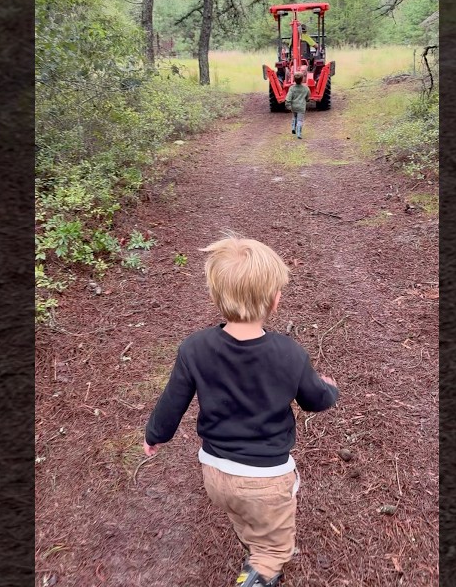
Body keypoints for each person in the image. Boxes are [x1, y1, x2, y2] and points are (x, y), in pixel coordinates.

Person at [143, 234, 339, 587]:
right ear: (275, 300)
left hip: (215, 472)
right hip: (267, 479)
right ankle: (259, 574)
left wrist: (155, 435)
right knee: (274, 549)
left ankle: (253, 549)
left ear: (216, 296)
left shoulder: (195, 348)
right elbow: (314, 400)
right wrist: (329, 388)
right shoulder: (289, 354)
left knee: (242, 513)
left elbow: (172, 400)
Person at [285, 72, 309, 139]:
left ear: (294, 80)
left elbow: (288, 98)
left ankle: (293, 127)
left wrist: (288, 105)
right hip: (301, 107)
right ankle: (299, 133)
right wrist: (306, 100)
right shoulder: (306, 88)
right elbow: (308, 97)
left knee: (294, 117)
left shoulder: (292, 88)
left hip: (294, 107)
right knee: (300, 120)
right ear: (302, 79)